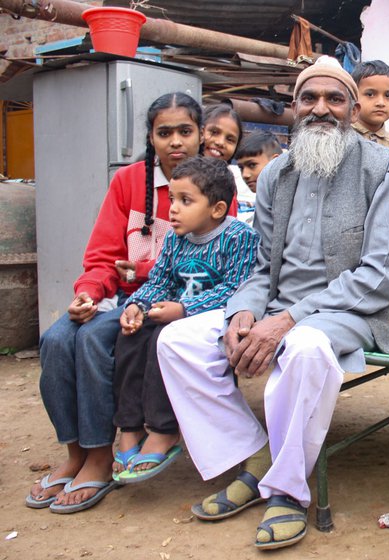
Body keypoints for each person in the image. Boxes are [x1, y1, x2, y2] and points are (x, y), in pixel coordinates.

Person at [156, 56, 389, 550]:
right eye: (310, 99)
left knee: (305, 347)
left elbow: (381, 276)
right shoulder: (276, 176)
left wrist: (289, 318)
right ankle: (254, 457)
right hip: (278, 310)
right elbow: (260, 268)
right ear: (294, 108)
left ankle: (287, 491)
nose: (321, 108)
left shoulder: (387, 168)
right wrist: (244, 313)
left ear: (353, 107)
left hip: (353, 313)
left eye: (334, 99)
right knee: (178, 340)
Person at [27, 92, 206, 514]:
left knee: (90, 340)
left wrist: (138, 272)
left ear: (201, 135)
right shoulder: (128, 182)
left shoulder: (212, 182)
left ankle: (100, 458)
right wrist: (88, 292)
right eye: (165, 133)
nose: (175, 142)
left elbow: (202, 262)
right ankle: (76, 452)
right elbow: (104, 255)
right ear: (151, 137)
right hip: (125, 299)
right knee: (55, 339)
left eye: (185, 131)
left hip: (175, 305)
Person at [112, 156, 260, 484]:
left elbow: (237, 289)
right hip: (173, 312)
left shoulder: (238, 237)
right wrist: (138, 303)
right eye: (172, 200)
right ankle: (130, 427)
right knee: (130, 335)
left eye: (185, 201)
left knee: (158, 339)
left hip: (209, 319)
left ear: (217, 209)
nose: (173, 209)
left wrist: (184, 309)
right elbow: (161, 279)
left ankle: (164, 430)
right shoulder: (178, 238)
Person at [201, 103, 253, 223]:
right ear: (199, 131)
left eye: (230, 139)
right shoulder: (178, 176)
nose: (220, 142)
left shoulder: (227, 187)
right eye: (214, 132)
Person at [350, 59, 389, 152]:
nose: (381, 103)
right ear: (353, 98)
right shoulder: (343, 138)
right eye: (370, 94)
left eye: (388, 96)